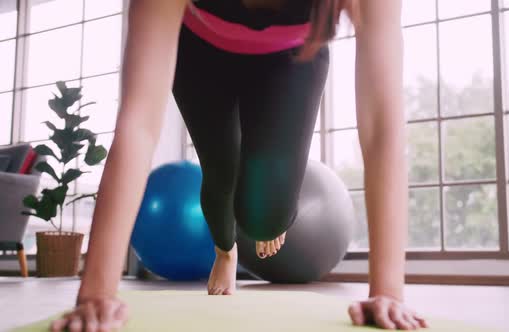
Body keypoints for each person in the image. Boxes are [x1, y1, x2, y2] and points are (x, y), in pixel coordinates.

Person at [50, 0, 428, 331]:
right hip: (198, 54)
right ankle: (225, 251)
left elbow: (382, 128)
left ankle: (267, 204)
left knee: (265, 216)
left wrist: (388, 292)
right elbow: (138, 124)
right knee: (220, 172)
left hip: (291, 59)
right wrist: (96, 292)